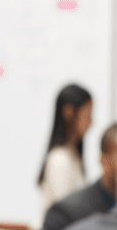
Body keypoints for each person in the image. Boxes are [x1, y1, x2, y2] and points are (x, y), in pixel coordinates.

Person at [37, 83, 93, 220]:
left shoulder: (72, 155)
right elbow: (66, 211)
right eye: (88, 114)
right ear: (69, 112)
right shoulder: (59, 159)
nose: (91, 121)